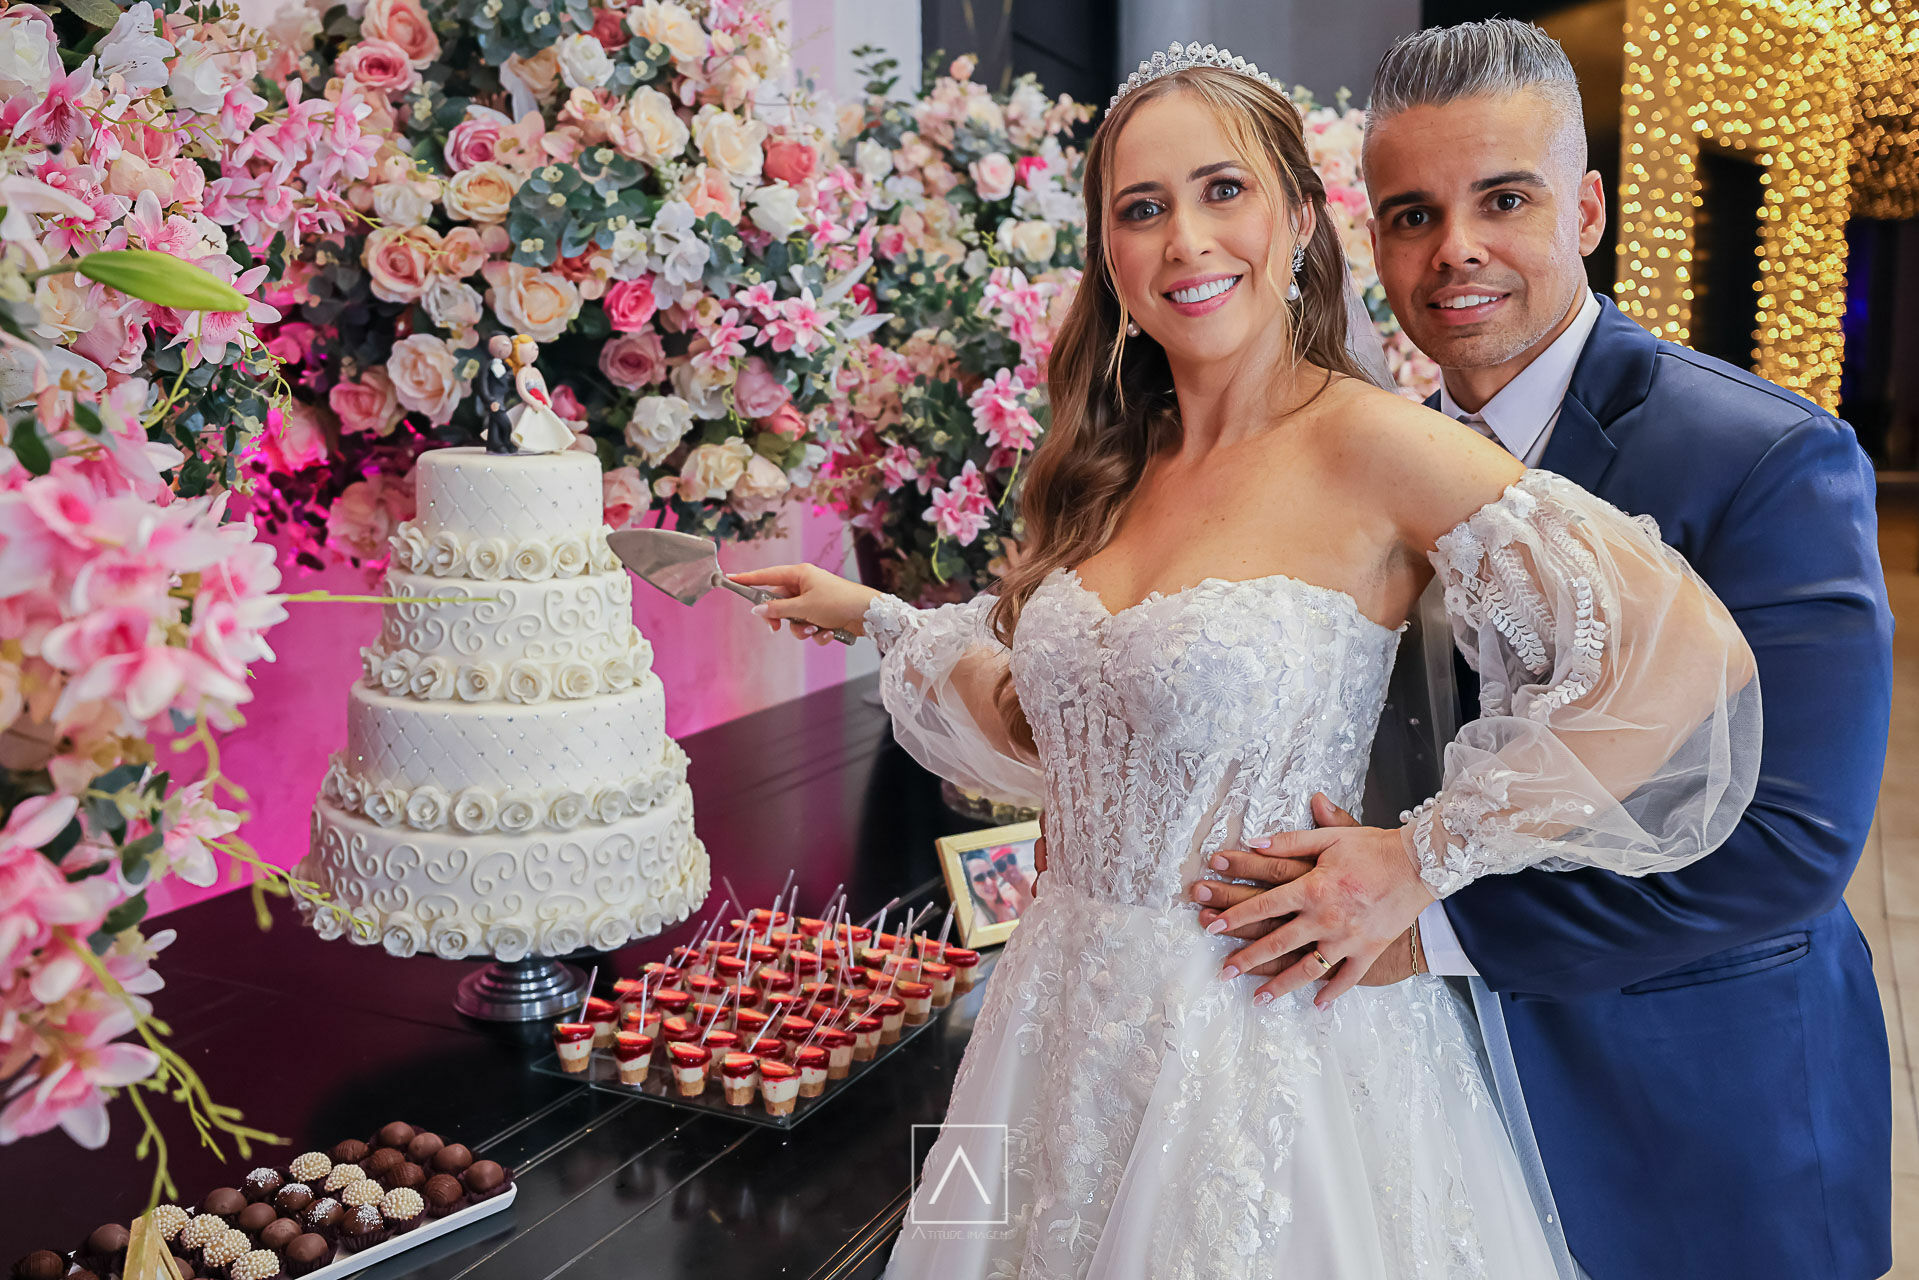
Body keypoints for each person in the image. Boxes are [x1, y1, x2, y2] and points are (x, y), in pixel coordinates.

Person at [736, 43, 1759, 1276]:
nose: (1185, 240)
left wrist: (1419, 856)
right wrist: (874, 617)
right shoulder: (1111, 464)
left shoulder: (1372, 445)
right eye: (1141, 208)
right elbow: (1041, 723)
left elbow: (1678, 650)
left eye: (1221, 191)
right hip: (1052, 1015)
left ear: (1293, 219)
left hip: (1257, 1039)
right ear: (1108, 258)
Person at [1189, 22, 1894, 1279]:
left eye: (1500, 198)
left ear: (1586, 208)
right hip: (1427, 1112)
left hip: (1694, 1108)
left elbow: (1784, 842)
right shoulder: (1364, 462)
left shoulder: (1763, 457)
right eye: (1409, 214)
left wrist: (1431, 924)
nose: (1451, 249)